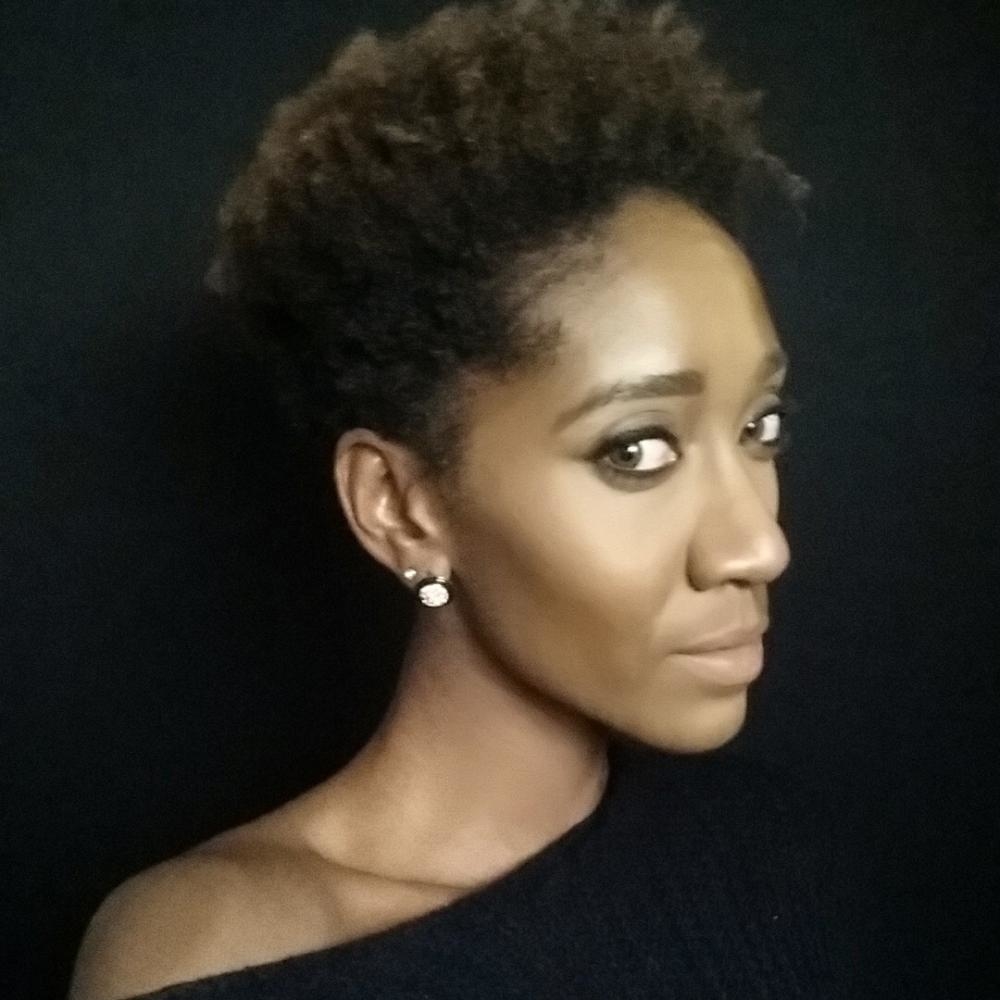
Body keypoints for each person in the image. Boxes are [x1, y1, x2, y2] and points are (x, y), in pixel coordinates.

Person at [68, 1, 905, 997]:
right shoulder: (217, 956)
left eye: (760, 426)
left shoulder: (778, 851)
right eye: (636, 449)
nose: (757, 545)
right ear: (400, 507)